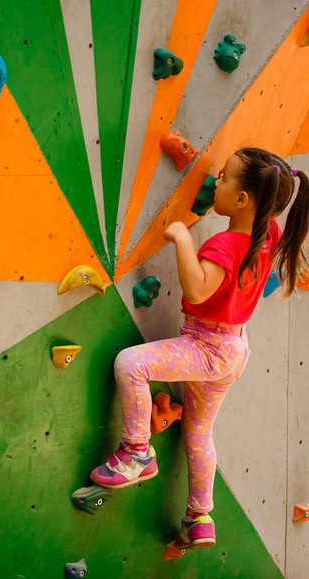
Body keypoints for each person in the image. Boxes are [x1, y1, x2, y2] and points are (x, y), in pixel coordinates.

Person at [90, 147, 309, 550]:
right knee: (199, 430)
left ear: (243, 201)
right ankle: (199, 516)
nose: (215, 182)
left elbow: (197, 288)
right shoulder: (269, 232)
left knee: (131, 364)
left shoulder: (226, 246)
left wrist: (181, 239)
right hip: (233, 349)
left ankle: (138, 452)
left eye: (223, 178)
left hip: (205, 347)